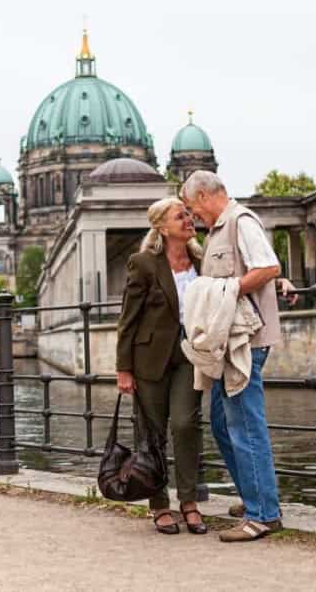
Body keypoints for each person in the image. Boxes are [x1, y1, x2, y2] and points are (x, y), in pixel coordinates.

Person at [180, 170, 297, 543]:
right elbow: (259, 270)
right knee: (220, 422)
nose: (192, 216)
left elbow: (268, 266)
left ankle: (263, 514)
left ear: (202, 196)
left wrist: (229, 292)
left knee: (244, 425)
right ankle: (255, 496)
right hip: (229, 342)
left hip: (247, 340)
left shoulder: (239, 220)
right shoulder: (218, 229)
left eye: (191, 207)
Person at [115, 197, 207, 535]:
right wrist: (123, 368)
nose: (188, 219)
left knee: (185, 424)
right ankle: (159, 505)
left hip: (190, 355)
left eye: (188, 214)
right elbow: (128, 319)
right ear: (162, 227)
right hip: (149, 358)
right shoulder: (143, 263)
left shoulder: (202, 260)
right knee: (151, 432)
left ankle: (189, 501)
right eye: (179, 216)